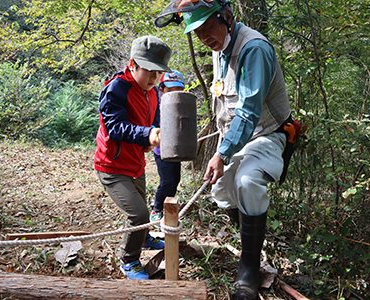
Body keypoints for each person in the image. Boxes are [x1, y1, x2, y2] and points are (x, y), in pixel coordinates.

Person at [156, 1, 295, 299]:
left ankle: (248, 267)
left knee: (247, 182)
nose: (205, 38)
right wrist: (222, 150)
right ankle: (250, 238)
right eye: (198, 33)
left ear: (227, 17)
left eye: (208, 29)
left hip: (267, 134)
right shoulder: (220, 48)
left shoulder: (254, 49)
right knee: (220, 190)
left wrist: (222, 153)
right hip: (234, 137)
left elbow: (248, 112)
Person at [94, 35, 172, 280]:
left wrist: (156, 134)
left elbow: (156, 120)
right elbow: (115, 127)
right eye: (149, 71)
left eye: (158, 73)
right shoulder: (116, 88)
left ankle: (144, 238)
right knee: (137, 214)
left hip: (136, 163)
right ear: (132, 65)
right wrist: (147, 135)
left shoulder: (152, 93)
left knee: (143, 210)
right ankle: (128, 259)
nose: (153, 78)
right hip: (112, 166)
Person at [150, 70, 185, 226]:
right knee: (166, 181)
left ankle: (168, 207)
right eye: (169, 90)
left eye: (177, 90)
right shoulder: (156, 105)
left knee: (175, 179)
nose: (173, 94)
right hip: (161, 149)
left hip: (176, 148)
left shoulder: (181, 104)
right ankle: (156, 209)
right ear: (161, 89)